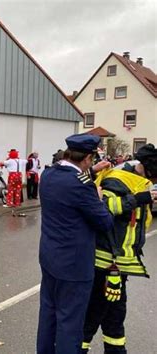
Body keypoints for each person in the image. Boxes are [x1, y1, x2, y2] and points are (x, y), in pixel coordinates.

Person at [37, 133, 114, 354]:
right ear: (88, 158)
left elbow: (69, 180)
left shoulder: (49, 174)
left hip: (50, 259)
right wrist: (99, 198)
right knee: (70, 324)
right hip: (74, 267)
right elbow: (104, 222)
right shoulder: (83, 186)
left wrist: (92, 172)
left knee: (48, 316)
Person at [81, 143, 157, 353]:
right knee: (93, 315)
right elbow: (103, 208)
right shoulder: (118, 179)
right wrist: (138, 199)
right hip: (106, 262)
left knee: (114, 316)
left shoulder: (138, 181)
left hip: (118, 263)